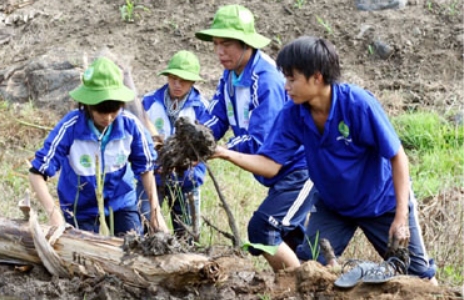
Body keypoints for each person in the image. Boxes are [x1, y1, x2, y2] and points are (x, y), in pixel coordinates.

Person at [213, 36, 437, 284]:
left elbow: (398, 157)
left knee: (420, 277)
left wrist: (400, 218)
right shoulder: (293, 113)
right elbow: (270, 165)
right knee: (311, 268)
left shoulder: (357, 104)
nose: (286, 86)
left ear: (317, 77)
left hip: (381, 202)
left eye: (292, 78)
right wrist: (225, 153)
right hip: (334, 206)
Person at [195, 4, 315, 272]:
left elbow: (260, 140)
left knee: (264, 228)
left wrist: (217, 148)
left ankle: (299, 287)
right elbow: (216, 118)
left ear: (246, 44)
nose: (219, 52)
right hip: (278, 174)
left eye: (226, 44)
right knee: (291, 240)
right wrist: (193, 141)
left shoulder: (267, 78)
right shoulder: (229, 75)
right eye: (216, 44)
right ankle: (309, 280)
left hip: (300, 171)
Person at [29, 57, 168, 236]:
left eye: (113, 110)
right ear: (87, 105)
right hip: (80, 209)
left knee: (132, 246)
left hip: (121, 202)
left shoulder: (130, 125)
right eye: (101, 111)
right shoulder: (70, 127)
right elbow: (36, 173)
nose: (108, 118)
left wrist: (156, 214)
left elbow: (146, 168)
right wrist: (54, 215)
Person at [137, 50, 210, 239]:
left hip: (188, 179)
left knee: (188, 233)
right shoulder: (149, 101)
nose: (177, 84)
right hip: (154, 177)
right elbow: (140, 136)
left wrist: (189, 162)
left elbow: (206, 144)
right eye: (173, 78)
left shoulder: (202, 107)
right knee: (146, 226)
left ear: (193, 82)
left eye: (183, 80)